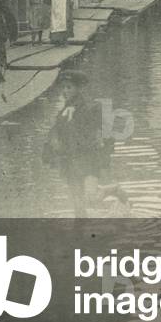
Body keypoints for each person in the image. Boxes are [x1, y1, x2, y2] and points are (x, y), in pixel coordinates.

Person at [42, 69, 113, 215]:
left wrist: (103, 156)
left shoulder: (89, 107)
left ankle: (112, 190)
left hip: (87, 159)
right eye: (63, 87)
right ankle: (80, 231)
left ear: (78, 88)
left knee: (90, 198)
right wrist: (52, 150)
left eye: (69, 87)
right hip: (70, 160)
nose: (65, 91)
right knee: (77, 203)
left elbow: (103, 132)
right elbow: (57, 132)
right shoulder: (64, 111)